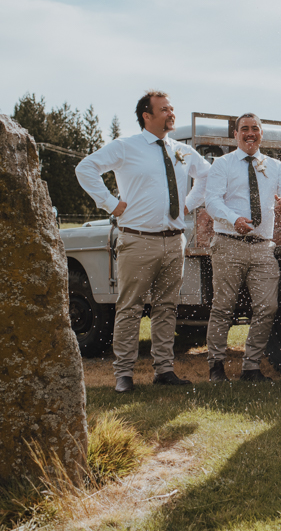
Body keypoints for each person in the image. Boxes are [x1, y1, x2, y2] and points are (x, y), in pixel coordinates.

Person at [76, 91, 210, 393]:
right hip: (137, 240)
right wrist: (110, 203)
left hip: (174, 242)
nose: (171, 113)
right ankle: (123, 375)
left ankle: (164, 370)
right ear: (146, 116)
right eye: (164, 110)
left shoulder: (181, 150)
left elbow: (207, 176)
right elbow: (85, 168)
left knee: (166, 308)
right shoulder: (126, 146)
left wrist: (189, 204)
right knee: (130, 308)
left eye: (172, 108)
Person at [203, 114, 281, 383]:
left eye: (255, 129)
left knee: (267, 307)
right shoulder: (222, 164)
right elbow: (211, 201)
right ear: (235, 135)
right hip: (228, 244)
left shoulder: (275, 166)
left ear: (261, 134)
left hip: (262, 247)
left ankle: (251, 368)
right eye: (244, 129)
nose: (250, 133)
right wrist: (233, 219)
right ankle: (216, 367)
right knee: (223, 307)